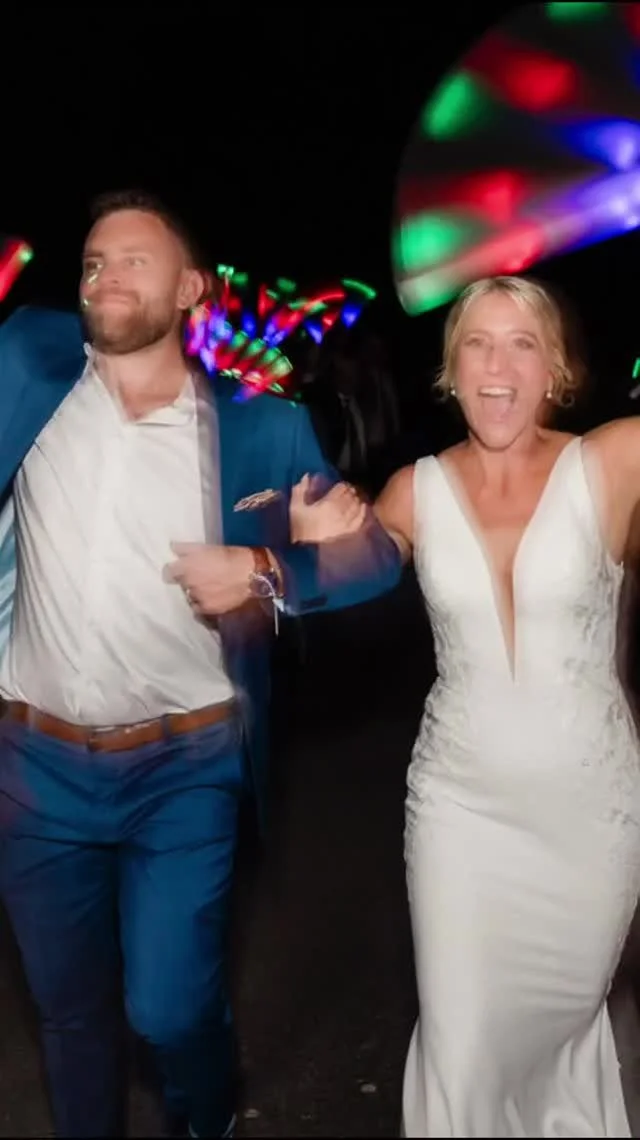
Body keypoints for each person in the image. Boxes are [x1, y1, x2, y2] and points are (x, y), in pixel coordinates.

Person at [0, 189, 401, 1140]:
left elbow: (376, 557)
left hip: (183, 768)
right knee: (70, 1013)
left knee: (170, 1009)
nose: (105, 275)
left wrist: (270, 566)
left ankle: (207, 1114)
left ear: (189, 289)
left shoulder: (262, 428)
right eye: (93, 261)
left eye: (133, 259)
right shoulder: (26, 364)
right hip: (33, 767)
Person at [294, 273, 640, 1137]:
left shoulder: (613, 461)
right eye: (478, 344)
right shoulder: (414, 488)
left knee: (557, 1036)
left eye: (523, 344)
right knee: (464, 1044)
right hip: (461, 812)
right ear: (451, 370)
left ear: (556, 368)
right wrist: (316, 550)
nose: (498, 365)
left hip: (589, 815)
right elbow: (356, 569)